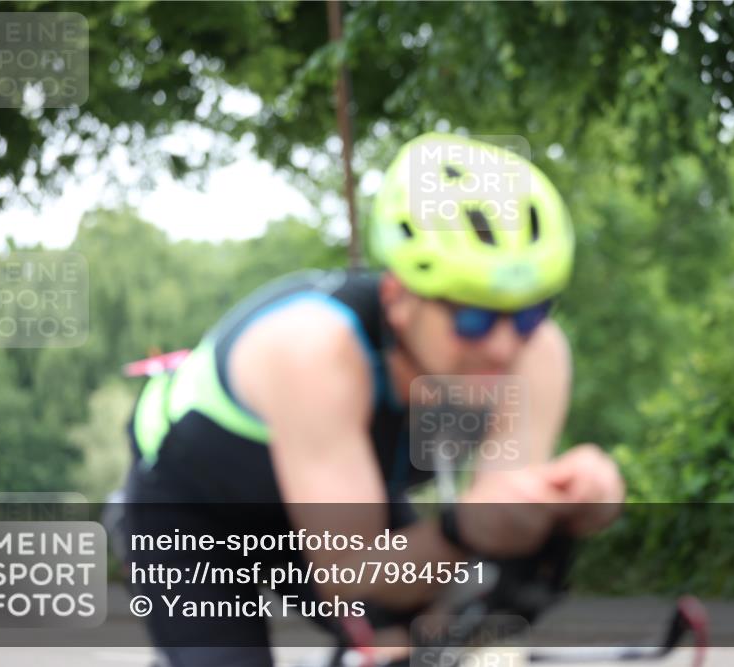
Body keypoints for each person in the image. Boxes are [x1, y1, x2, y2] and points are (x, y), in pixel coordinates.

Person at [122, 133, 626, 667]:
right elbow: (353, 575)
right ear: (398, 298)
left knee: (430, 642)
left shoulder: (537, 353)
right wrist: (460, 530)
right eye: (471, 317)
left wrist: (565, 507)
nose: (503, 346)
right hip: (193, 511)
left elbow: (498, 531)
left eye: (528, 312)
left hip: (342, 496)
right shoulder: (313, 351)